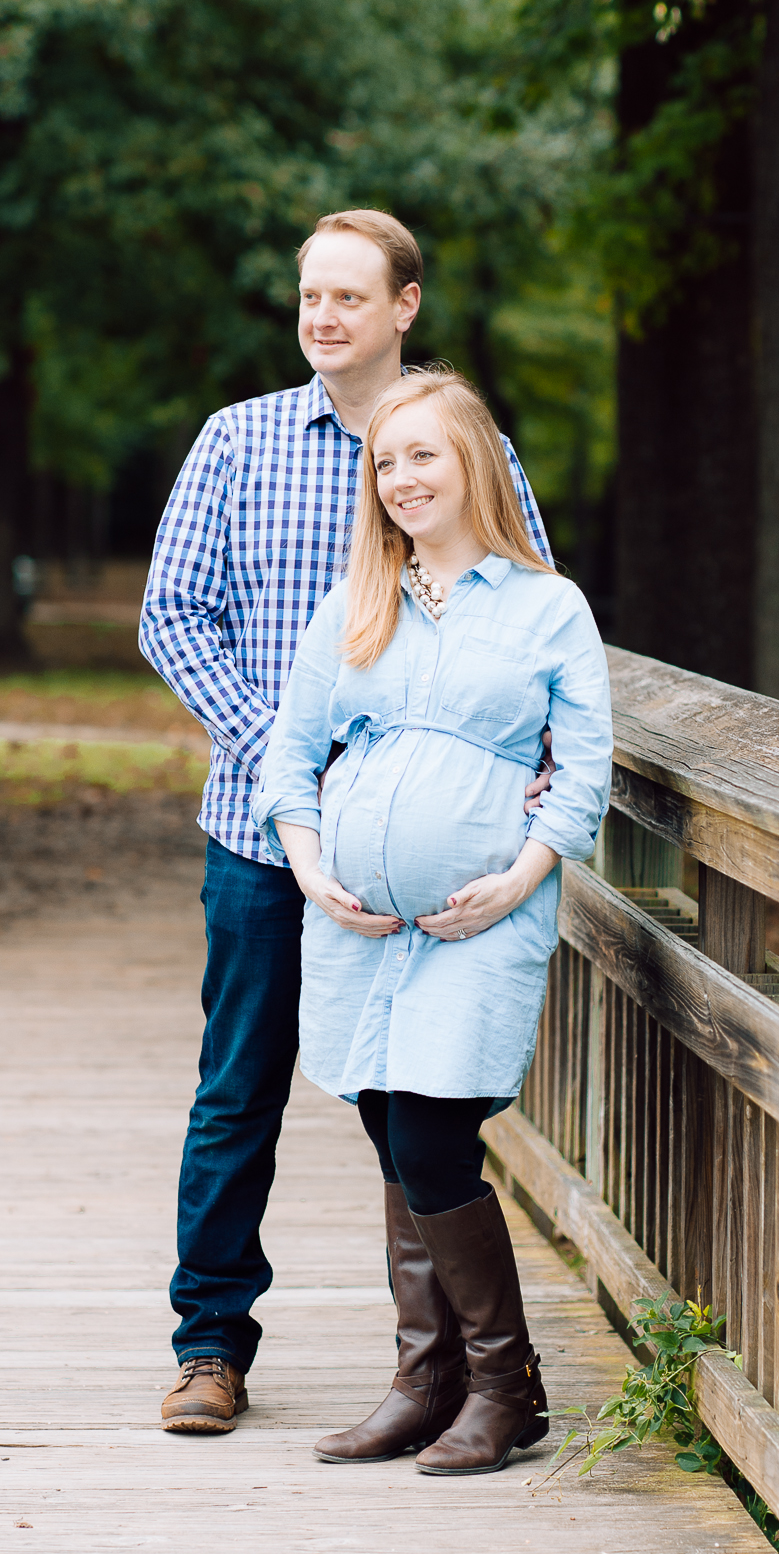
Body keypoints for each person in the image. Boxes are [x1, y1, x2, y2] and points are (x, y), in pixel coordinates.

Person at [139, 210, 553, 1435]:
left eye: (350, 299)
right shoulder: (238, 441)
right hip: (266, 842)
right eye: (310, 297)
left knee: (412, 1100)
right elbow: (174, 617)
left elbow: (523, 613)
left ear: (405, 306)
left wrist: (534, 759)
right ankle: (209, 1343)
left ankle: (431, 1372)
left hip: (428, 860)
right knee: (238, 1088)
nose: (324, 318)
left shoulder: (464, 446)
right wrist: (294, 763)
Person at [253, 369, 612, 1475]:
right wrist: (311, 864)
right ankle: (429, 1379)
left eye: (423, 456)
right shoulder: (360, 597)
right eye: (385, 461)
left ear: (476, 464)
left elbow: (586, 767)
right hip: (360, 925)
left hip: (479, 919)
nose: (401, 479)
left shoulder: (547, 606)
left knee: (431, 1133)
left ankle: (506, 1386)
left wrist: (523, 875)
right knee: (382, 1123)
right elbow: (291, 749)